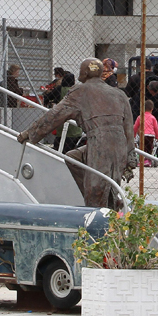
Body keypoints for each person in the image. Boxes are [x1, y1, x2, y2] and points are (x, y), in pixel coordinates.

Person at [17, 58, 136, 208]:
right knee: (73, 158)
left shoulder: (80, 91)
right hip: (120, 143)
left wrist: (30, 134)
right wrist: (130, 152)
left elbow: (54, 115)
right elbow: (128, 127)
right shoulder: (119, 94)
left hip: (99, 141)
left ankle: (99, 210)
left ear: (84, 73)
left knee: (96, 190)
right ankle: (108, 201)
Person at [134, 100, 158, 167]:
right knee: (149, 148)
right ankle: (148, 160)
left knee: (142, 148)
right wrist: (157, 137)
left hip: (142, 135)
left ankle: (142, 160)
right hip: (151, 135)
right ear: (152, 109)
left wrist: (134, 135)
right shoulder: (153, 118)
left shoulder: (140, 117)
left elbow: (135, 127)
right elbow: (156, 128)